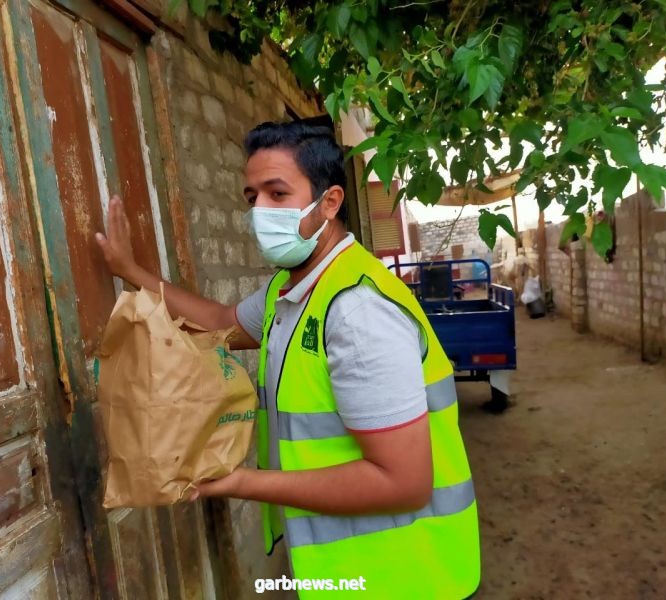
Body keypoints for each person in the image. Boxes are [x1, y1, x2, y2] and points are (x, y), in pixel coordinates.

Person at [95, 121, 480, 599]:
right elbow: (219, 322)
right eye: (252, 197)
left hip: (410, 578)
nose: (260, 211)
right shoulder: (292, 288)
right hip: (353, 574)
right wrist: (130, 271)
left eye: (277, 194)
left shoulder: (357, 311)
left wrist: (241, 482)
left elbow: (404, 484)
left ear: (330, 202)